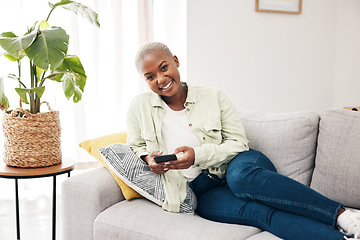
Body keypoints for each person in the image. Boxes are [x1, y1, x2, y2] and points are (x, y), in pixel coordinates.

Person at [126, 41, 360, 240]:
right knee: (262, 214)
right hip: (202, 191)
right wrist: (148, 158)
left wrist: (197, 155)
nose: (161, 78)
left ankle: (344, 216)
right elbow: (135, 146)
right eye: (150, 76)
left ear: (176, 61)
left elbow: (238, 143)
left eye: (164, 67)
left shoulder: (213, 96)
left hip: (240, 165)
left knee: (239, 179)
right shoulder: (139, 106)